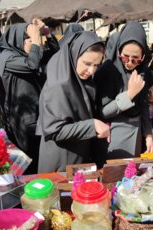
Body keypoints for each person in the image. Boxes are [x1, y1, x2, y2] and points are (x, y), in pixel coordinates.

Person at [36, 31, 109, 173]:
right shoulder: (59, 84)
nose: (91, 71)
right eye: (87, 63)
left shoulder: (80, 80)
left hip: (78, 155)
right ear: (74, 55)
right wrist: (92, 125)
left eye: (96, 65)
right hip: (62, 159)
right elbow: (54, 130)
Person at [95, 21, 153, 162]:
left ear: (143, 56)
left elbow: (144, 104)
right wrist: (129, 95)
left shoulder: (143, 70)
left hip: (137, 132)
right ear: (118, 51)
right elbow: (102, 112)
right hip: (114, 134)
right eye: (125, 57)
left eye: (136, 59)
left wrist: (148, 134)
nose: (129, 63)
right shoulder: (107, 71)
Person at [0, 22, 43, 174]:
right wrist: (36, 41)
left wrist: (45, 37)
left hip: (33, 114)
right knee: (31, 157)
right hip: (24, 118)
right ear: (19, 40)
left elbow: (42, 58)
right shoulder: (7, 57)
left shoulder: (18, 55)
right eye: (30, 40)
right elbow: (33, 65)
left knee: (37, 155)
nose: (35, 44)